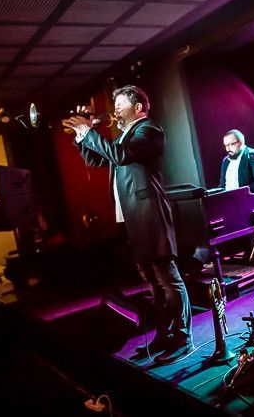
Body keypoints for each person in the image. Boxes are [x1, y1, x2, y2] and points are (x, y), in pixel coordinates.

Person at [63, 85, 192, 364]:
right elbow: (95, 159)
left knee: (168, 279)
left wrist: (88, 131)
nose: (115, 110)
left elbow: (121, 155)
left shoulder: (148, 130)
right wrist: (81, 135)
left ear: (138, 107)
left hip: (150, 214)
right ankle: (163, 334)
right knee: (152, 283)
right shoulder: (123, 137)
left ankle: (183, 337)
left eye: (120, 104)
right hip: (133, 217)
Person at [219, 129, 254, 197]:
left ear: (241, 142)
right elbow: (222, 186)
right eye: (226, 145)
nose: (228, 148)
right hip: (230, 200)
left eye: (231, 144)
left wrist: (239, 194)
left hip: (250, 199)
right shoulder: (226, 161)